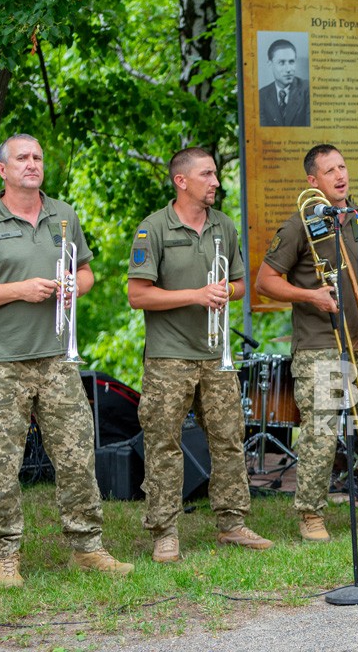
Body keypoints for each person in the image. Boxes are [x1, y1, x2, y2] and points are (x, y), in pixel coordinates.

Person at [0, 133, 132, 587]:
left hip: (58, 360)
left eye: (38, 157)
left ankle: (87, 547)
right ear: (3, 169)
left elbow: (86, 272)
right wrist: (20, 289)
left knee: (75, 456)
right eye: (22, 158)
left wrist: (75, 285)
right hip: (3, 364)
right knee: (0, 463)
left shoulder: (63, 215)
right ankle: (4, 556)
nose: (32, 164)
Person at [255, 144, 358, 542]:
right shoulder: (299, 225)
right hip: (319, 344)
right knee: (322, 430)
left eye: (343, 167)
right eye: (329, 171)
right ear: (313, 181)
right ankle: (311, 514)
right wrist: (311, 296)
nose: (340, 175)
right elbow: (265, 281)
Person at [127, 147, 272, 563]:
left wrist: (228, 290)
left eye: (215, 175)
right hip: (168, 357)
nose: (216, 182)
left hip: (215, 354)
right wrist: (196, 294)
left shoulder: (225, 226)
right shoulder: (153, 228)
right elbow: (138, 295)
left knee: (228, 439)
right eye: (207, 175)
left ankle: (232, 523)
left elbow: (241, 284)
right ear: (181, 181)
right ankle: (165, 531)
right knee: (163, 444)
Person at [258, 38, 311, 127]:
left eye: (291, 62)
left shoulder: (307, 89)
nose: (288, 69)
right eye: (281, 63)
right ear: (270, 64)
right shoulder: (261, 96)